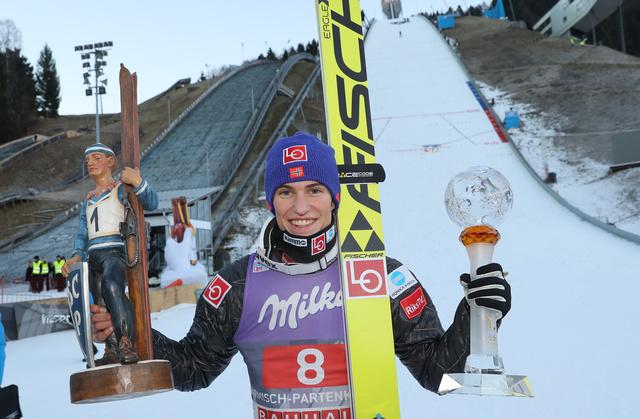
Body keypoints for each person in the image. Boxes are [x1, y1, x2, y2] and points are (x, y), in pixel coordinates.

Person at [91, 132, 511, 415]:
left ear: (334, 197)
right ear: (270, 202)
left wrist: (477, 314)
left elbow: (440, 377)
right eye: (286, 192)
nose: (301, 207)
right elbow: (193, 369)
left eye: (314, 190)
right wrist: (132, 329)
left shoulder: (381, 278)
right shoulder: (236, 286)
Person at [63, 143, 158, 366]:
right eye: (88, 160)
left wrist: (138, 182)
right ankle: (111, 346)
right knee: (100, 303)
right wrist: (77, 255)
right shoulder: (88, 200)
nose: (91, 163)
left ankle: (126, 341)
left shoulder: (121, 189)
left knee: (113, 287)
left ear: (110, 161)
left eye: (97, 158)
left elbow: (152, 203)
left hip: (114, 251)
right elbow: (82, 233)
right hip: (93, 257)